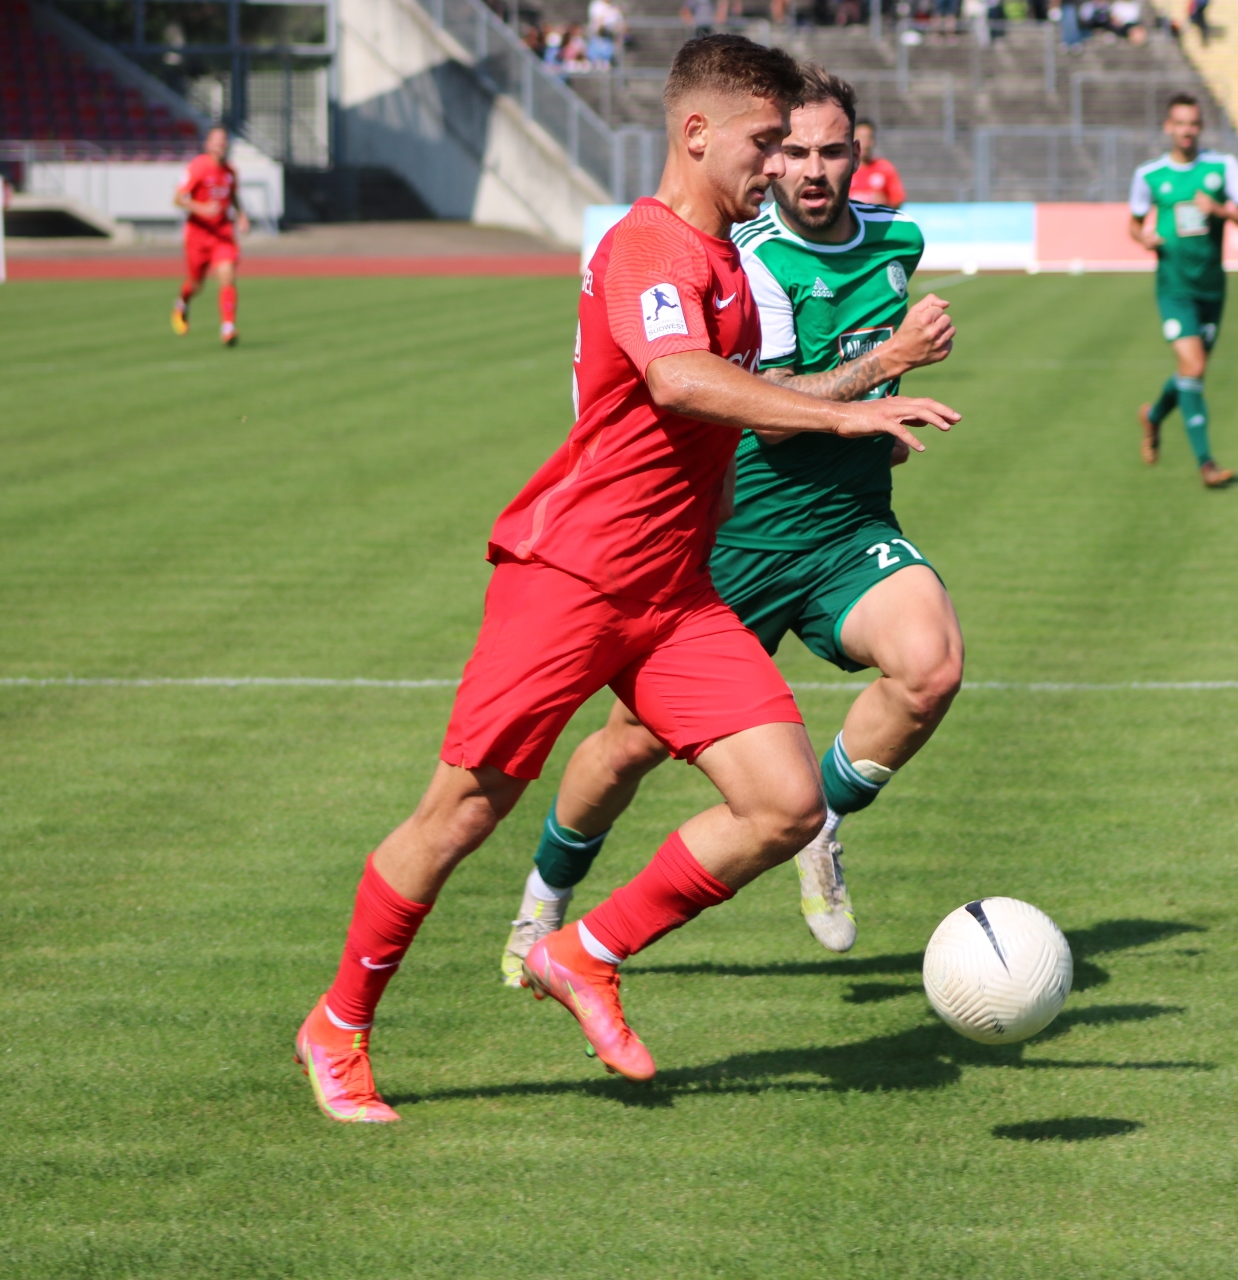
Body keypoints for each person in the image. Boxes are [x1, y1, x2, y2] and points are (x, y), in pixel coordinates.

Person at [293, 35, 959, 1122]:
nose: (776, 163)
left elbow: (739, 405)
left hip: (675, 594)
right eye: (764, 142)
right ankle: (338, 1024)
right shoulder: (650, 245)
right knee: (461, 813)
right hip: (572, 578)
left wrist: (842, 416)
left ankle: (585, 951)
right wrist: (849, 410)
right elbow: (680, 379)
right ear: (696, 133)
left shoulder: (730, 264)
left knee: (788, 803)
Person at [497, 64, 960, 979]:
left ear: (860, 153)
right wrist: (886, 369)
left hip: (846, 527)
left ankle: (820, 826)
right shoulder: (749, 256)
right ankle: (543, 898)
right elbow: (771, 409)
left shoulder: (897, 241)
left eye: (833, 151)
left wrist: (886, 418)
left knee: (930, 667)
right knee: (626, 748)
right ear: (773, 155)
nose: (812, 170)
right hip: (734, 540)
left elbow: (863, 374)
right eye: (794, 151)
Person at [1129, 93, 1238, 489]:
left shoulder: (1222, 167)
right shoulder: (1149, 174)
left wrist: (1221, 211)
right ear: (1169, 127)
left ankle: (1153, 417)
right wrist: (1144, 238)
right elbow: (1134, 223)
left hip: (1212, 288)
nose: (1187, 131)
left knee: (1190, 371)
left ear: (1201, 127)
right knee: (1195, 368)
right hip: (1174, 288)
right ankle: (1206, 464)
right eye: (1180, 123)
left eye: (1194, 124)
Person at [169, 126, 248, 347]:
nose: (221, 144)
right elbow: (178, 199)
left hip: (222, 234)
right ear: (208, 144)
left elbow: (233, 196)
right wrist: (202, 208)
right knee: (196, 284)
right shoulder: (198, 167)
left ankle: (228, 327)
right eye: (216, 140)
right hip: (198, 235)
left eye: (224, 140)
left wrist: (241, 215)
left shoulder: (230, 172)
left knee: (227, 275)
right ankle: (182, 302)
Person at [851, 119, 907, 207]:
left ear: (873, 141)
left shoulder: (884, 167)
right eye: (860, 138)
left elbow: (898, 199)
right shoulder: (844, 168)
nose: (864, 143)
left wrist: (885, 204)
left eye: (868, 138)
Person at [586, 0, 624, 67]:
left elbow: (620, 21)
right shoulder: (597, 5)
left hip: (610, 36)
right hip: (599, 36)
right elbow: (597, 21)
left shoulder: (613, 6)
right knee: (595, 60)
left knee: (608, 61)